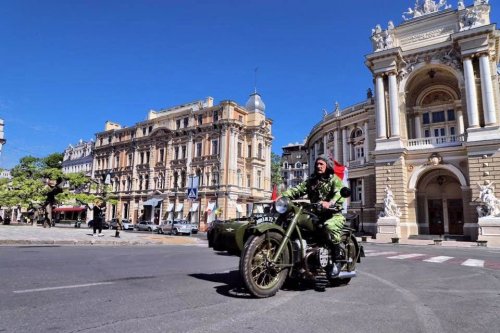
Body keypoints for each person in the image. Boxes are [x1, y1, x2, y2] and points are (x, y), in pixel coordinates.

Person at [281, 154, 346, 275]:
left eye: (321, 164)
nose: (318, 166)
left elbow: (339, 194)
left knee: (329, 227)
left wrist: (329, 203)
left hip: (332, 214)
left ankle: (337, 260)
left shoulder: (334, 179)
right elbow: (298, 190)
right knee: (298, 225)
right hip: (315, 214)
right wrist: (283, 196)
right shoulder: (311, 181)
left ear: (327, 166)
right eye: (317, 164)